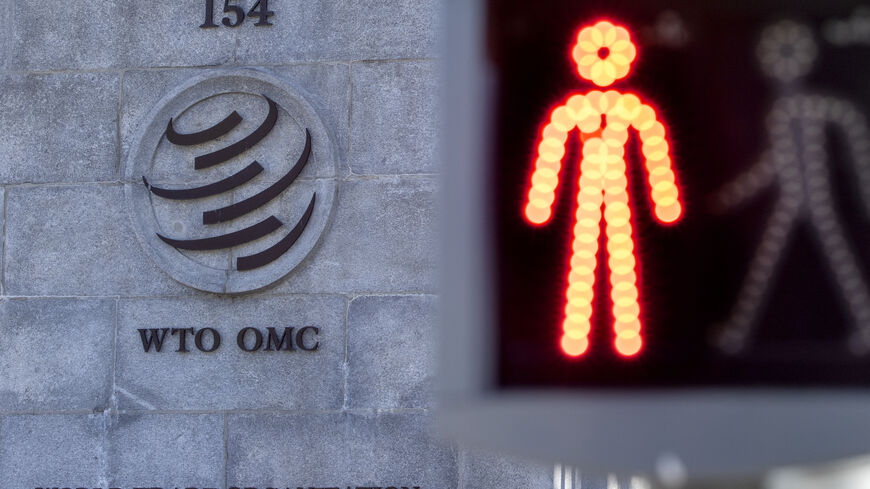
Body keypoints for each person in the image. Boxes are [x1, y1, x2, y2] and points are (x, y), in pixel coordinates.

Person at [524, 20, 682, 357]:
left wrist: (663, 198)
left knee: (621, 262)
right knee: (583, 259)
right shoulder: (575, 109)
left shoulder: (632, 109)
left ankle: (626, 333)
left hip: (619, 195)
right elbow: (552, 146)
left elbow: (654, 145)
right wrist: (542, 200)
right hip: (586, 194)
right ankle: (577, 333)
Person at [712, 20, 870, 354]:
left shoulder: (797, 107)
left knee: (796, 263)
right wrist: (732, 196)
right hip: (794, 199)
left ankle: (739, 332)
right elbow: (774, 163)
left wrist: (731, 196)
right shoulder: (786, 108)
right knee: (770, 266)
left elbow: (771, 165)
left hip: (812, 198)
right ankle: (739, 332)